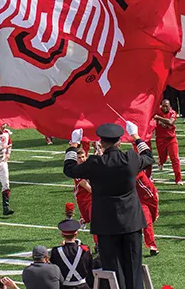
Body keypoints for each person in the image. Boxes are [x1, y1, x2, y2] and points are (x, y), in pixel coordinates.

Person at [63, 122, 153, 289]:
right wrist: (136, 137)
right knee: (133, 268)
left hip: (106, 224)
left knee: (113, 270)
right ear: (119, 141)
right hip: (131, 222)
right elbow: (148, 156)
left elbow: (69, 170)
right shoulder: (130, 158)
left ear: (101, 143)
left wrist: (73, 145)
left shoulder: (96, 162)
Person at [49, 219, 93, 289]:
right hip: (83, 286)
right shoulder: (85, 250)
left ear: (62, 235)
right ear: (76, 234)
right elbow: (90, 269)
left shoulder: (56, 251)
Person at [152, 99, 182, 185]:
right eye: (163, 106)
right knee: (163, 157)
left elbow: (170, 122)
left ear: (169, 106)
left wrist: (158, 118)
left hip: (171, 138)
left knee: (175, 158)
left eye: (167, 106)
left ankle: (178, 179)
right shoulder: (157, 111)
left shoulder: (172, 113)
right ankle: (161, 161)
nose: (165, 108)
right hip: (160, 138)